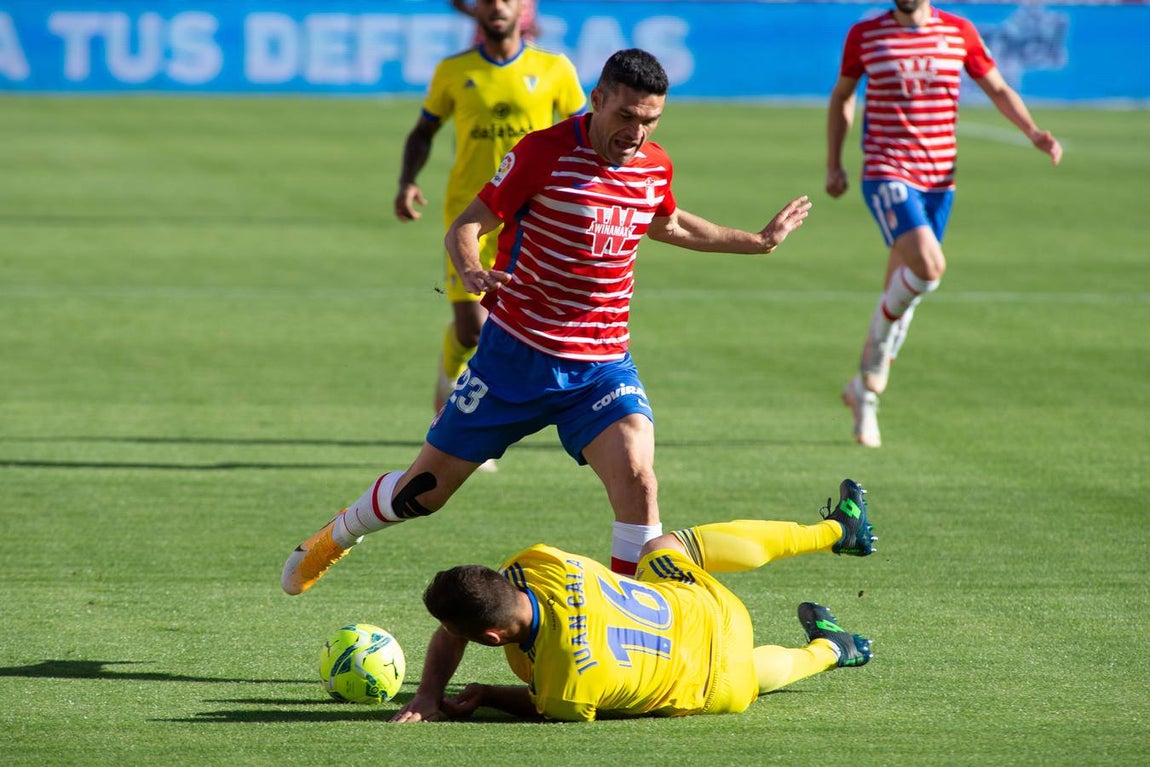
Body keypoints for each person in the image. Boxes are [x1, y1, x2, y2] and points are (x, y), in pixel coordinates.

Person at [282, 48, 812, 596]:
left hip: (601, 366)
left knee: (638, 478)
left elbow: (669, 224)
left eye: (650, 119)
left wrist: (757, 241)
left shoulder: (655, 165)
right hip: (515, 357)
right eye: (625, 116)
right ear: (598, 100)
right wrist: (471, 268)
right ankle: (337, 536)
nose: (636, 131)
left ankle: (631, 622)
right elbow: (467, 225)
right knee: (423, 493)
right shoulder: (542, 153)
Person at [390, 479, 876, 723]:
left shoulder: (567, 686)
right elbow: (468, 614)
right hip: (709, 605)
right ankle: (836, 531)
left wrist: (482, 694)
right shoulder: (540, 564)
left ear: (491, 639)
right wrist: (431, 686)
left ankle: (834, 651)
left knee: (741, 677)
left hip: (717, 684)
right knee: (662, 547)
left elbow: (545, 705)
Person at [826, 0, 1062, 447]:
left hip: (940, 179)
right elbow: (842, 95)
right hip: (886, 170)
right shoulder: (866, 35)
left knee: (904, 283)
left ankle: (864, 395)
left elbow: (996, 87)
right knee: (929, 267)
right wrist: (834, 164)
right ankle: (874, 356)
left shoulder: (959, 32)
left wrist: (1032, 131)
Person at [397, 0, 585, 419]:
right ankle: (448, 384)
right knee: (471, 329)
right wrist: (407, 181)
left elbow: (583, 133)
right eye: (487, 0)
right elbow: (424, 131)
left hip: (535, 214)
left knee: (516, 324)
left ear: (523, 7)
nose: (498, 6)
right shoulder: (454, 70)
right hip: (471, 213)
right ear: (475, 10)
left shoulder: (555, 68)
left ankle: (482, 419)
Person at [451, 0, 539, 42]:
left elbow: (528, 8)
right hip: (488, 38)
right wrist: (481, 14)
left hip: (524, 38)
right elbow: (457, 3)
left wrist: (531, 25)